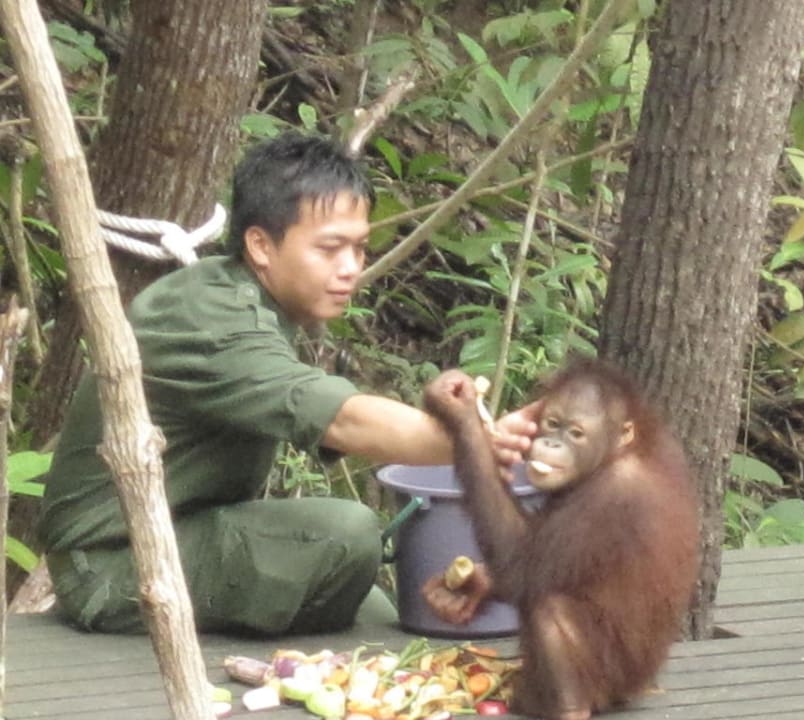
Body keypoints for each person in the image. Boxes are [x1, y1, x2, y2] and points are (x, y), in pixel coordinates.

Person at [38, 132, 537, 636]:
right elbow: (343, 418)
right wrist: (480, 442)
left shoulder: (234, 293)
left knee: (352, 574)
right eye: (330, 249)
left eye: (360, 248)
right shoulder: (215, 321)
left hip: (169, 537)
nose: (351, 269)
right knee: (348, 536)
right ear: (260, 244)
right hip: (110, 569)